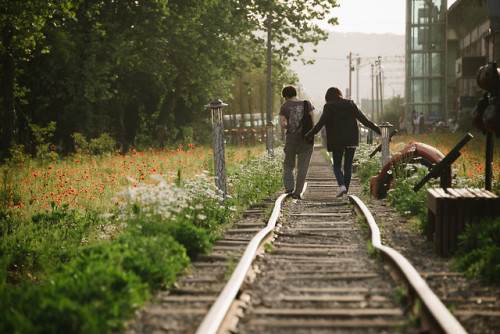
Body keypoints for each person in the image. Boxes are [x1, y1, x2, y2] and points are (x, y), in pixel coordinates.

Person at [305, 87, 381, 199]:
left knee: (337, 165)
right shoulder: (350, 104)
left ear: (328, 97)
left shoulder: (328, 106)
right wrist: (377, 129)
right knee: (348, 167)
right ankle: (345, 193)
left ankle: (342, 186)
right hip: (351, 138)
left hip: (337, 139)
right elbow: (363, 119)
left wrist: (309, 135)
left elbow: (321, 123)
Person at [279, 85, 315, 199]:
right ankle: (297, 193)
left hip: (291, 140)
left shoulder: (284, 106)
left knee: (288, 165)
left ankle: (289, 189)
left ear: (285, 96)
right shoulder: (307, 104)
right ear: (295, 93)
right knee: (302, 167)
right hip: (306, 141)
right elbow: (313, 122)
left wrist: (291, 127)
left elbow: (282, 124)